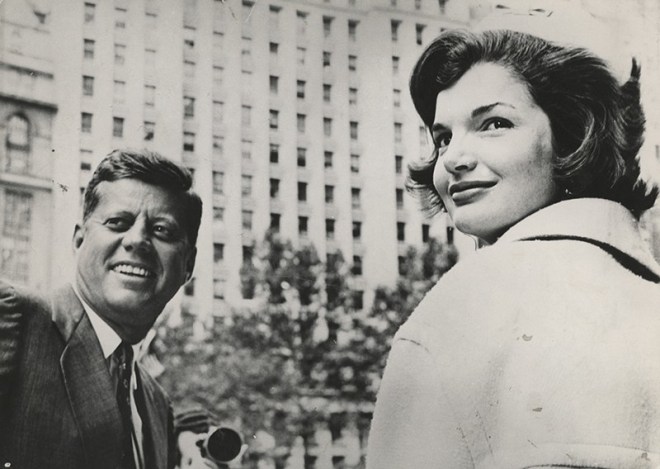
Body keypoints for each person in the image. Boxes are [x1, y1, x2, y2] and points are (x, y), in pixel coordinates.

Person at [367, 4, 660, 469]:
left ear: (573, 137)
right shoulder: (648, 297)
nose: (453, 159)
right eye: (442, 137)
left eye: (494, 124)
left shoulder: (468, 303)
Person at [0, 149, 202, 469]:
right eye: (118, 222)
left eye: (162, 230)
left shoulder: (156, 403)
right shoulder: (12, 318)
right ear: (79, 240)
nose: (137, 240)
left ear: (187, 265)